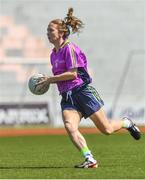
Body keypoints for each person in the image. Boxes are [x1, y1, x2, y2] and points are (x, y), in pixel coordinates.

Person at [38, 8, 141, 168]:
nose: (47, 33)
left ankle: (126, 123)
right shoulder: (53, 54)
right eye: (47, 30)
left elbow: (73, 74)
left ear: (61, 33)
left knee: (106, 129)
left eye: (50, 30)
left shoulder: (69, 48)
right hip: (67, 97)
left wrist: (49, 80)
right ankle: (89, 158)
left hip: (82, 92)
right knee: (69, 126)